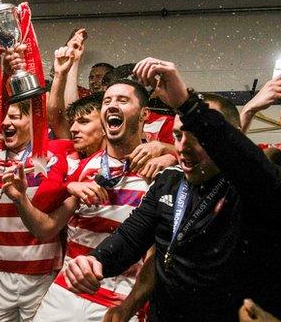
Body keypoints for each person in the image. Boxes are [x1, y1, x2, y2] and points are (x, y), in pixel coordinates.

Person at [65, 57, 281, 321]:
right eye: (178, 136)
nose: (182, 147)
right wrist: (98, 260)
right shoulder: (170, 182)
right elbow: (131, 237)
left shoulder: (249, 190)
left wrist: (187, 104)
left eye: (196, 135)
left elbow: (249, 163)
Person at [3, 79, 174, 321]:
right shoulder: (85, 168)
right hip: (65, 293)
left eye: (122, 100)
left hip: (117, 300)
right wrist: (20, 200)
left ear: (145, 114)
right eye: (107, 101)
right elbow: (46, 229)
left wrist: (129, 306)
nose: (112, 105)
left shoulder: (159, 174)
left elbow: (154, 258)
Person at [0, 100, 71, 322]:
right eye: (3, 118)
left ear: (33, 122)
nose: (5, 123)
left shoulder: (51, 154)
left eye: (14, 117)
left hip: (42, 273)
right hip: (0, 272)